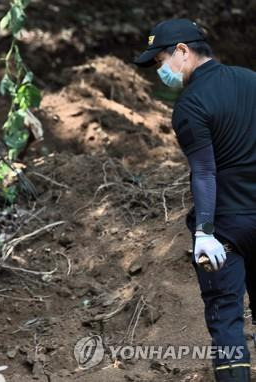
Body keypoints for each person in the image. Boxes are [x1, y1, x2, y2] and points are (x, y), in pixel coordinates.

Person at [134, 18, 256, 382]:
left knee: (227, 320)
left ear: (183, 52)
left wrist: (204, 232)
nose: (160, 71)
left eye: (160, 61)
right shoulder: (252, 80)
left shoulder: (190, 105)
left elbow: (204, 172)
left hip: (227, 229)